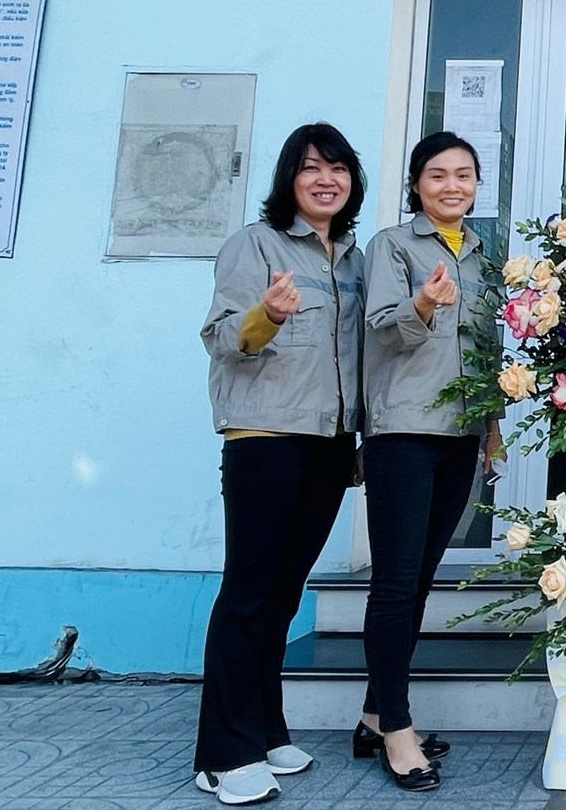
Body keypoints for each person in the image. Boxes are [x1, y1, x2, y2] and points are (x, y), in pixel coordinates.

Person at [194, 123, 368, 806]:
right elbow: (222, 338)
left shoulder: (353, 259)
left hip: (328, 442)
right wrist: (266, 313)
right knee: (249, 590)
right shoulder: (256, 244)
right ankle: (223, 753)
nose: (326, 179)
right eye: (310, 167)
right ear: (288, 178)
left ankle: (266, 730)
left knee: (284, 592)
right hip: (265, 437)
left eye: (338, 168)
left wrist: (360, 436)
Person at [355, 132, 505, 792]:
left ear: (476, 185)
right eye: (438, 174)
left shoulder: (483, 255)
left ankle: (373, 715)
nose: (452, 186)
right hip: (404, 431)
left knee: (417, 581)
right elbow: (383, 329)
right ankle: (398, 728)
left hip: (462, 433)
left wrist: (493, 429)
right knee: (394, 583)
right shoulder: (391, 245)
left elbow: (487, 349)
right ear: (417, 183)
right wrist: (421, 303)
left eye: (463, 175)